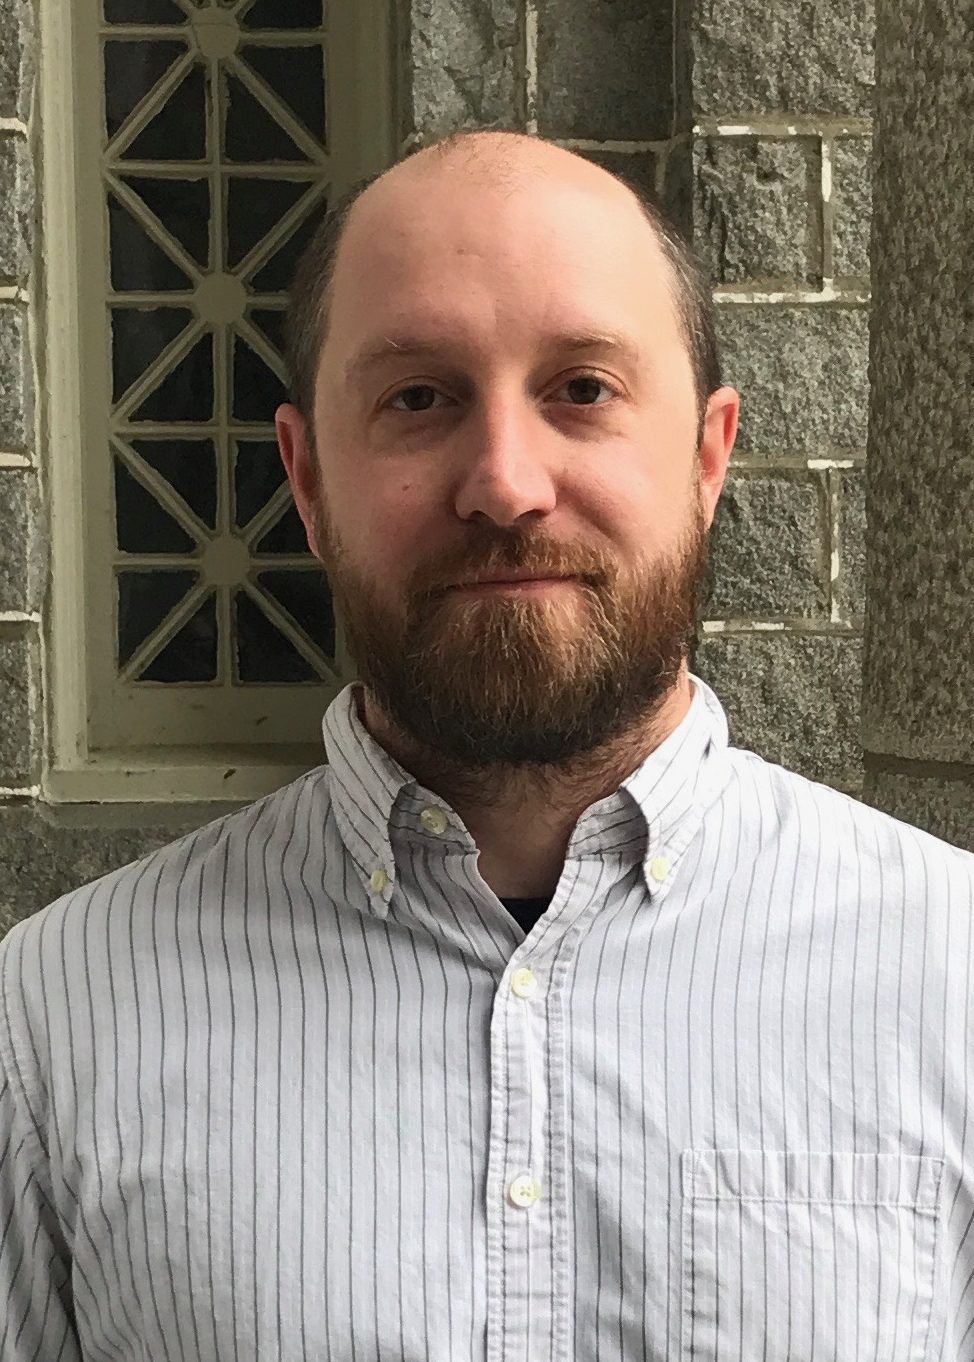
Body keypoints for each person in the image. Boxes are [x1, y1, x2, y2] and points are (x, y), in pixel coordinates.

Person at [2, 128, 973, 1362]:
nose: (505, 483)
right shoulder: (55, 1022)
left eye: (581, 388)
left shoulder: (952, 977)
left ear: (707, 455)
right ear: (305, 481)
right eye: (418, 398)